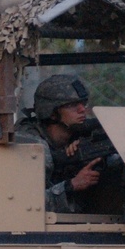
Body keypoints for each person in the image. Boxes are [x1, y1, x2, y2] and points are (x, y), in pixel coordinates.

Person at [14, 74, 105, 213]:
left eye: (83, 103)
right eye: (72, 105)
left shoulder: (83, 137)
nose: (82, 110)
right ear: (52, 113)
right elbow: (23, 204)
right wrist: (71, 185)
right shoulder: (29, 144)